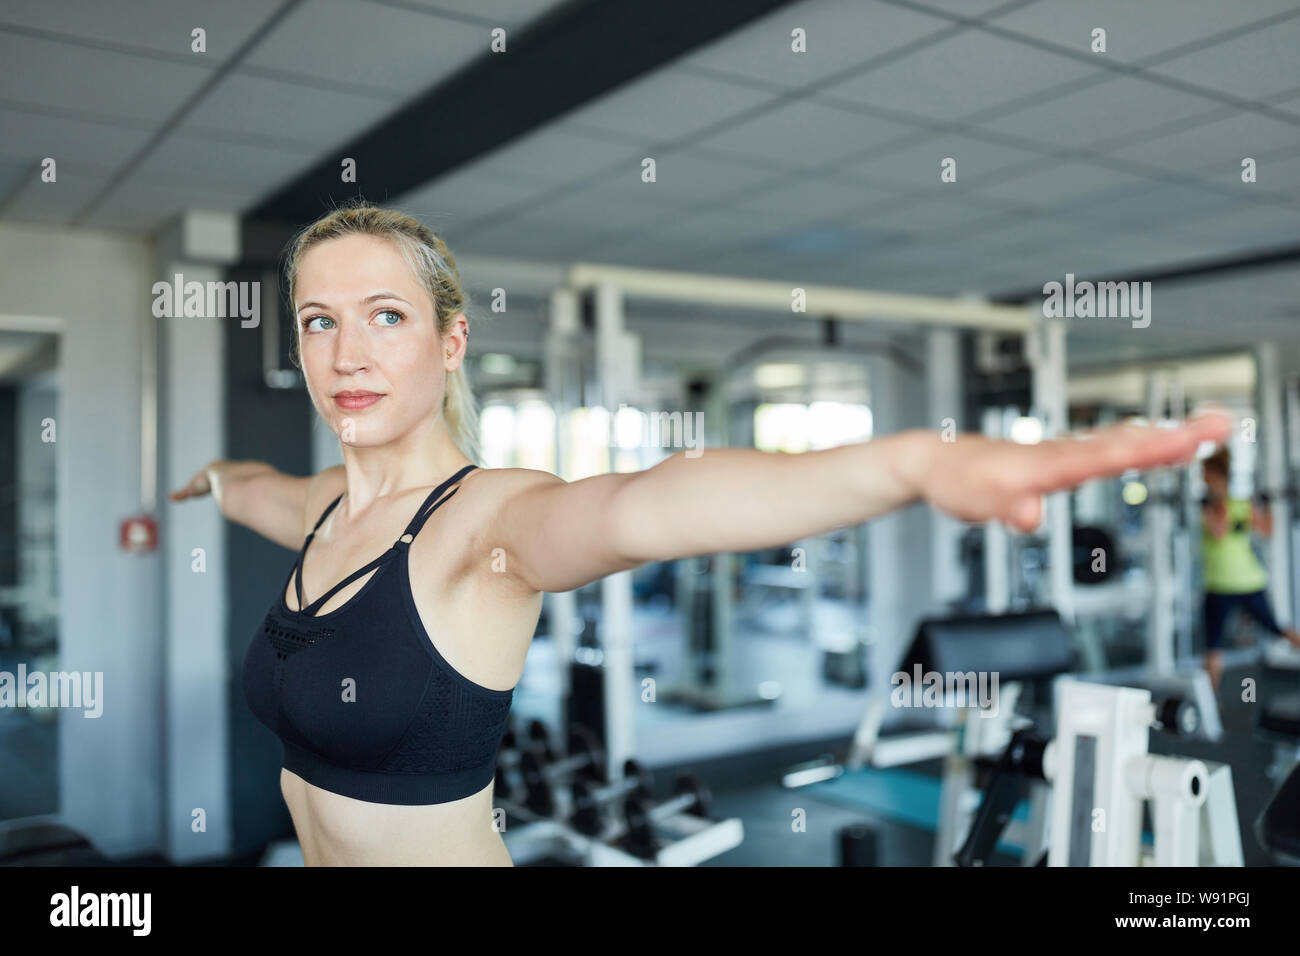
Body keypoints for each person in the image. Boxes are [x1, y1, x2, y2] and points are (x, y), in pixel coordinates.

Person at [171, 200, 1232, 866]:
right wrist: (195, 484)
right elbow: (246, 483)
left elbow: (654, 502)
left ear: (451, 341)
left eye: (384, 314)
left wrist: (913, 461)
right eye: (319, 321)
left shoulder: (485, 520)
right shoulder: (320, 510)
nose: (346, 351)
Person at [1200, 447, 1300, 690]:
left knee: (1277, 629)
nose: (1203, 478)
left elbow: (1266, 530)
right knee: (1213, 646)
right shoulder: (1209, 505)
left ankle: (1211, 702)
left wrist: (1264, 506)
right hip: (1219, 583)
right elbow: (1220, 531)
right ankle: (1211, 705)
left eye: (1205, 473)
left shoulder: (1237, 504)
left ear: (1214, 475)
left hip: (1246, 581)